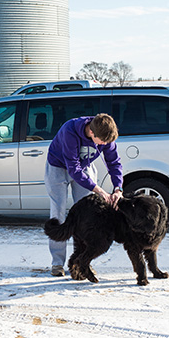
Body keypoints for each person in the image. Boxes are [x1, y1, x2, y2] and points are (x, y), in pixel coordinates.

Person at [44, 113, 123, 276]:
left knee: (87, 217)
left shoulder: (106, 134)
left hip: (84, 167)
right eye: (102, 142)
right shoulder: (70, 130)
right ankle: (57, 263)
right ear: (92, 133)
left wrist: (118, 189)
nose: (105, 145)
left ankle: (82, 262)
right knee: (58, 213)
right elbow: (74, 169)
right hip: (58, 168)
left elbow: (114, 162)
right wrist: (99, 190)